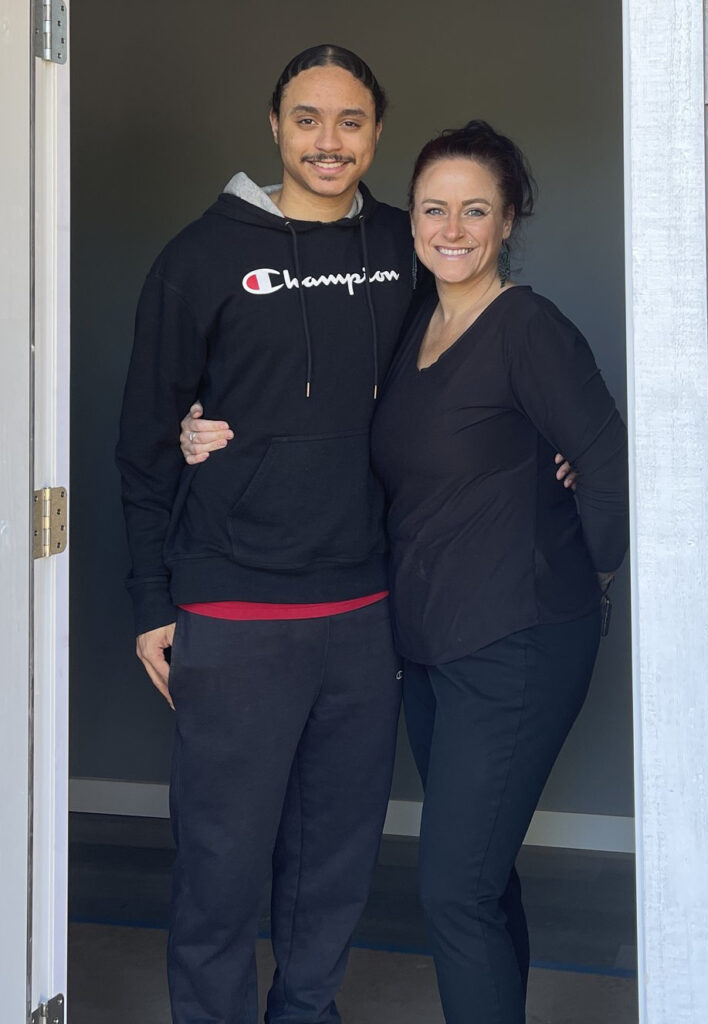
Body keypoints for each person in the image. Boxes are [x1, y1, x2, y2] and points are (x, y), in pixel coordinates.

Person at [116, 44, 416, 1024]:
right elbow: (146, 443)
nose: (328, 143)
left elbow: (461, 380)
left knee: (332, 854)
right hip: (233, 606)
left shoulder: (407, 247)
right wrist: (151, 603)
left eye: (349, 121)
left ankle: (305, 1010)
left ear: (374, 131)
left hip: (363, 608)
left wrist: (551, 451)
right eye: (306, 119)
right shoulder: (198, 257)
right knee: (220, 855)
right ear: (273, 127)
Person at [369, 122, 629, 1024]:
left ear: (508, 220)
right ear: (411, 221)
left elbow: (606, 460)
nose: (452, 227)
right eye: (434, 208)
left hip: (516, 643)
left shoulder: (526, 326)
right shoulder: (415, 326)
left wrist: (577, 575)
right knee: (477, 878)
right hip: (433, 651)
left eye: (475, 209)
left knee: (450, 891)